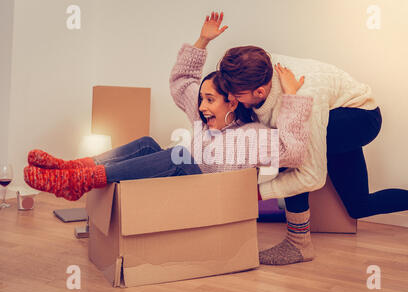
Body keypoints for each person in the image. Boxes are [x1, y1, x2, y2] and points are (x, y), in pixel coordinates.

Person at [23, 12, 313, 204]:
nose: (201, 106)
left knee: (180, 156)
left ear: (232, 102)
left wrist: (292, 97)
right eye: (201, 98)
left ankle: (82, 180)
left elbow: (294, 152)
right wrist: (203, 41)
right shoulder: (203, 117)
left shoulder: (253, 135)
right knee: (150, 144)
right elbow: (181, 81)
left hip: (212, 197)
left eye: (210, 100)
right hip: (186, 186)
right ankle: (75, 169)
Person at [217, 32, 408, 265]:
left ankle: (298, 244)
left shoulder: (305, 97)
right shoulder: (253, 67)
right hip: (335, 112)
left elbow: (312, 177)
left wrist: (258, 193)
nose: (231, 99)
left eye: (236, 95)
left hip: (360, 118)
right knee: (359, 206)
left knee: (292, 156)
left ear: (259, 92)